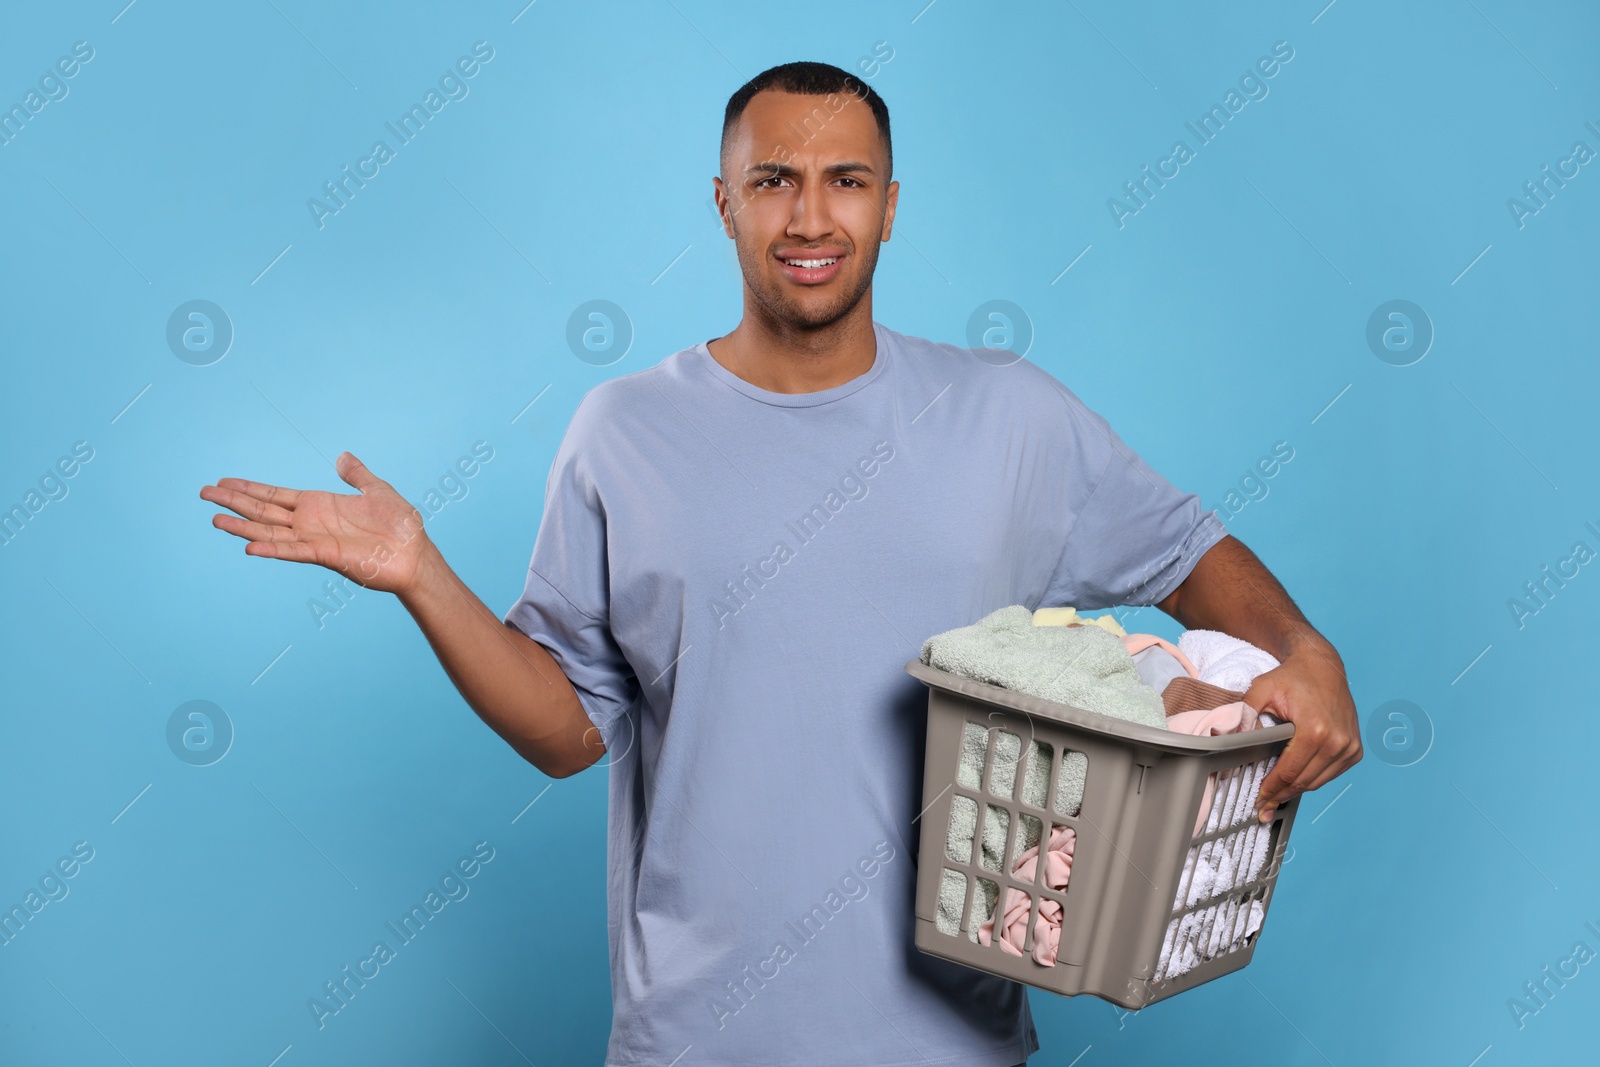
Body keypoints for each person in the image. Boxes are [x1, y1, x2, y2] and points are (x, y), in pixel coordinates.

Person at [201, 60, 1359, 1067]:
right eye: (774, 181)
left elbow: (1185, 548)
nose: (811, 217)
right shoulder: (623, 430)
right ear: (723, 203)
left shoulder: (1007, 416)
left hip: (950, 1040)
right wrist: (422, 573)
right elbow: (565, 731)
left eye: (845, 181)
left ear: (892, 207)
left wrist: (1305, 652)